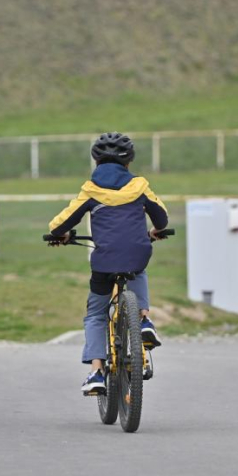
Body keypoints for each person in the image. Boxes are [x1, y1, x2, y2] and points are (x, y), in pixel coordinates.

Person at [47, 132, 169, 395]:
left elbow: (59, 224)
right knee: (138, 266)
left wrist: (61, 236)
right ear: (128, 163)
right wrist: (156, 230)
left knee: (95, 314)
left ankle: (96, 372)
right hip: (136, 253)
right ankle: (144, 321)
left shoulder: (91, 190)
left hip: (104, 260)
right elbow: (162, 216)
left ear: (97, 162)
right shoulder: (139, 186)